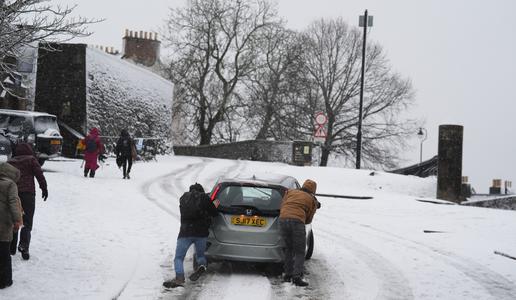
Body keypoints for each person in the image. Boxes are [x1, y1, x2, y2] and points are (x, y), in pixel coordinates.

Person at [163, 183, 219, 288]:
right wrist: (213, 205)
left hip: (185, 233)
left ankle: (179, 278)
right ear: (201, 191)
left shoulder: (183, 198)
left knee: (179, 258)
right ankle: (202, 265)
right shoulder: (204, 198)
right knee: (200, 255)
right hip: (201, 234)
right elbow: (214, 213)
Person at [7, 143, 48, 260]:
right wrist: (44, 188)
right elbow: (39, 174)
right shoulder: (31, 160)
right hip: (28, 195)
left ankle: (11, 247)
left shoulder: (11, 162)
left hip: (13, 194)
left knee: (14, 220)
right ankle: (24, 246)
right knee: (27, 221)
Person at [279, 179, 319, 287]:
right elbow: (309, 219)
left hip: (283, 219)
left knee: (289, 248)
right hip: (297, 222)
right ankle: (296, 277)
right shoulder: (311, 199)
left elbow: (283, 205)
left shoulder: (290, 192)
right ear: (313, 190)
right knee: (300, 251)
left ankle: (287, 274)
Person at [0, 162, 22, 289]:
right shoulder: (10, 184)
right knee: (4, 252)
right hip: (4, 221)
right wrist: (17, 220)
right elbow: (14, 202)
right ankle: (5, 280)